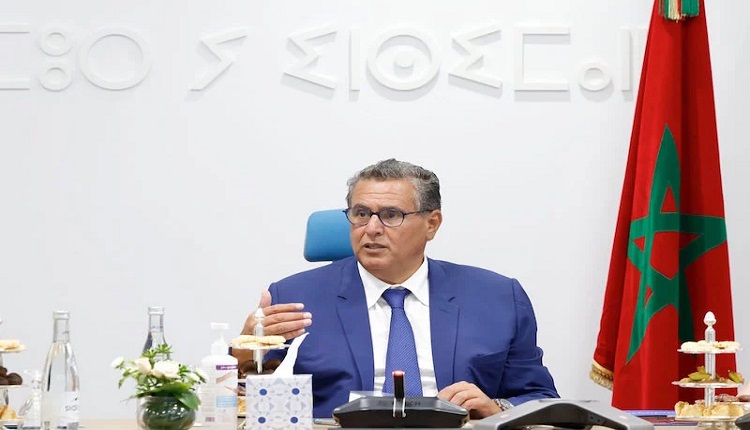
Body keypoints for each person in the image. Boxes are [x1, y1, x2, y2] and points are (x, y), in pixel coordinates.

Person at [242, 159, 559, 419]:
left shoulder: (497, 298)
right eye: (361, 214)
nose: (372, 228)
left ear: (432, 224)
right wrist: (243, 354)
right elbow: (246, 397)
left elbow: (539, 397)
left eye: (391, 215)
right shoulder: (296, 299)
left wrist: (497, 409)